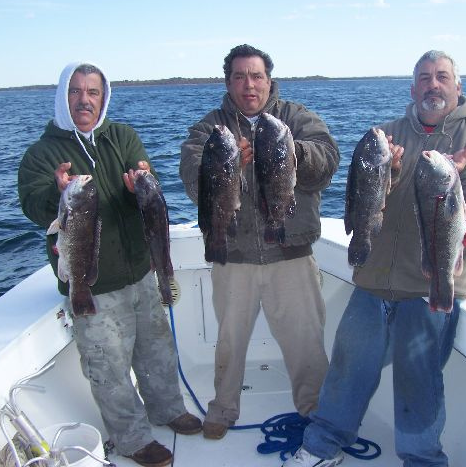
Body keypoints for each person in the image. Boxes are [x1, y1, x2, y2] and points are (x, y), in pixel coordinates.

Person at [284, 50, 466, 467]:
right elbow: (360, 197)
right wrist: (385, 170)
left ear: (457, 87)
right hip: (373, 281)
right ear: (412, 88)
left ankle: (423, 461)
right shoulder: (386, 136)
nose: (433, 84)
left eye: (442, 76)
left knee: (419, 385)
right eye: (424, 77)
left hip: (430, 288)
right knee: (347, 369)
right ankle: (322, 447)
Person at [18, 62, 201, 467]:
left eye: (93, 92)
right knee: (109, 364)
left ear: (104, 97)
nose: (85, 100)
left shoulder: (121, 136)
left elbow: (142, 171)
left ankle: (168, 409)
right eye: (76, 91)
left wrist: (141, 182)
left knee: (157, 351)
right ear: (63, 96)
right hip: (91, 284)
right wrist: (57, 193)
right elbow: (32, 205)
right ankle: (133, 439)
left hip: (140, 270)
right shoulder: (41, 154)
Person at [179, 44, 340, 440]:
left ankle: (315, 408)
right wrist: (228, 162)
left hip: (291, 252)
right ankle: (223, 408)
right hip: (233, 255)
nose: (248, 85)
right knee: (229, 343)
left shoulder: (296, 118)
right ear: (228, 82)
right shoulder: (211, 128)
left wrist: (287, 151)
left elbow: (328, 161)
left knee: (306, 343)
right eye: (239, 76)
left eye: (256, 76)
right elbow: (190, 176)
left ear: (269, 80)